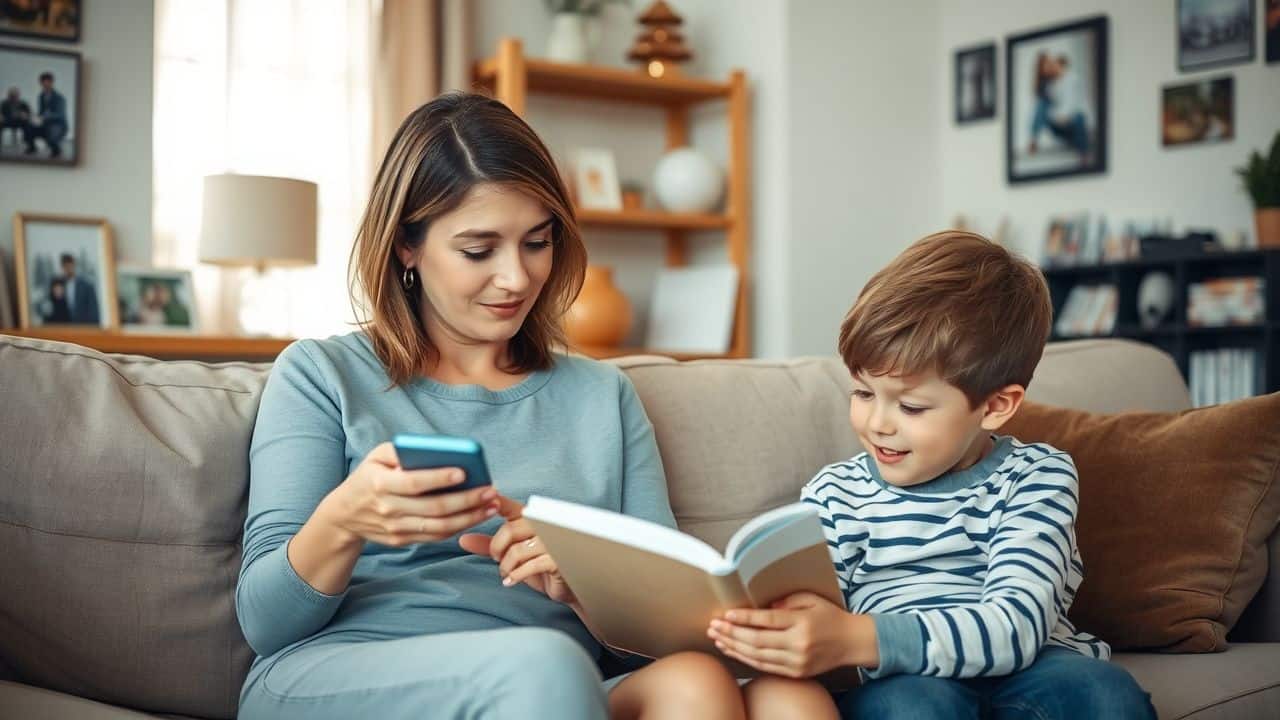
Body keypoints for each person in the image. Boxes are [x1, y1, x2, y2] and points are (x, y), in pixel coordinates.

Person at [237, 92, 816, 720]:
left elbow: (661, 641)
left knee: (700, 682)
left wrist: (586, 587)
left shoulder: (602, 396)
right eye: (479, 250)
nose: (516, 278)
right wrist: (345, 519)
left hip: (555, 683)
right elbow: (266, 624)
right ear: (408, 246)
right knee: (544, 663)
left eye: (536, 242)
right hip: (345, 672)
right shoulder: (322, 375)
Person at [707, 231, 1157, 719]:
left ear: (995, 407)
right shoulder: (835, 495)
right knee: (910, 707)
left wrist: (860, 636)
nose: (878, 422)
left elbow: (1017, 626)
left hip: (1031, 668)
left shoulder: (1037, 477)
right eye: (862, 393)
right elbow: (815, 619)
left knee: (1105, 693)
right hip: (901, 681)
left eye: (912, 406)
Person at [29, 71, 68, 158]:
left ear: (52, 82)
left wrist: (46, 116)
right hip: (45, 123)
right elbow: (41, 112)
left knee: (52, 136)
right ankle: (32, 148)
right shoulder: (41, 96)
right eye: (43, 83)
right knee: (29, 126)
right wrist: (34, 117)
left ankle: (56, 151)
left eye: (47, 82)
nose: (45, 85)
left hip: (58, 125)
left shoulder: (59, 98)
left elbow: (60, 115)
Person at [58, 253, 98, 324]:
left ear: (74, 265)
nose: (67, 269)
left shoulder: (86, 285)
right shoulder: (59, 285)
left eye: (69, 265)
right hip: (64, 328)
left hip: (83, 327)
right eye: (65, 266)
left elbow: (93, 311)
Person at [1, 87, 32, 151]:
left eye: (15, 95)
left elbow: (29, 113)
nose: (13, 97)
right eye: (11, 95)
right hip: (8, 121)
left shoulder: (23, 103)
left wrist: (25, 115)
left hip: (20, 121)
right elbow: (1, 113)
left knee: (28, 125)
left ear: (18, 95)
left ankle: (29, 145)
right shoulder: (5, 103)